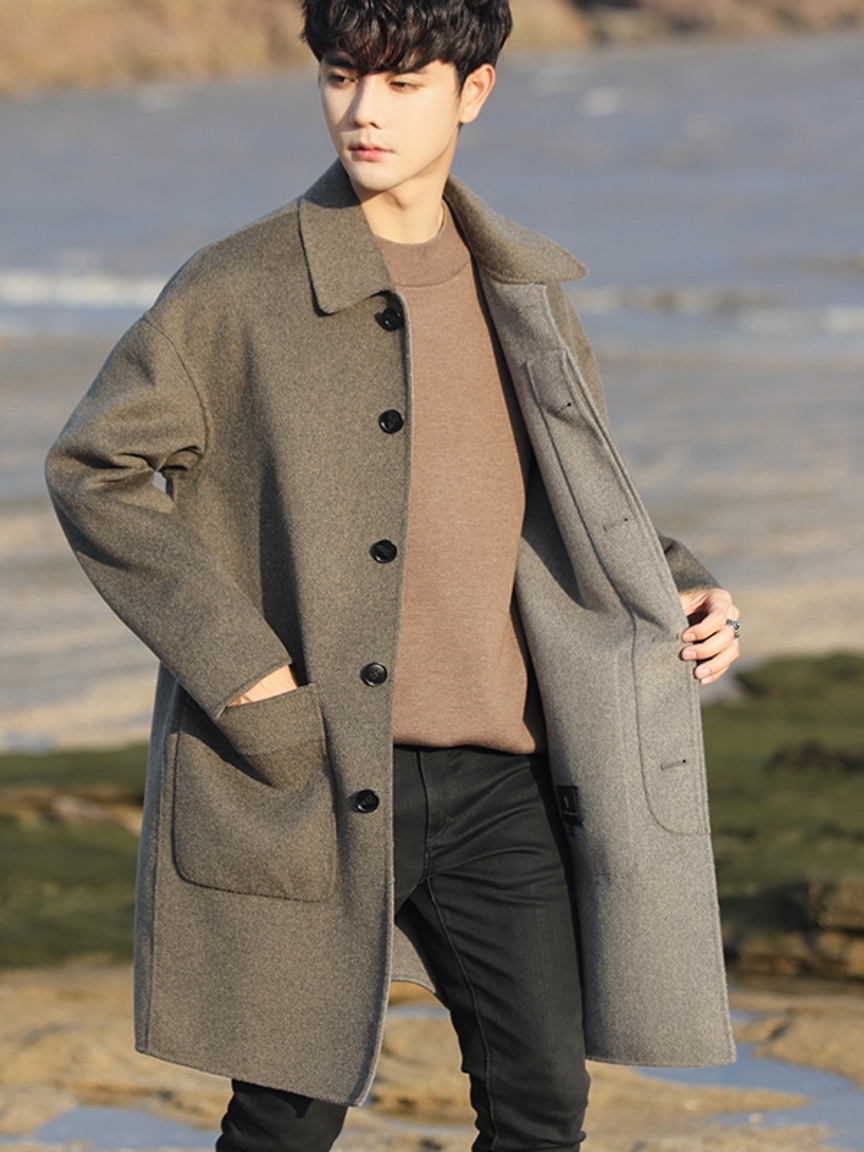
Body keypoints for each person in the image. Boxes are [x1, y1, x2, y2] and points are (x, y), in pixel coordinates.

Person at [45, 1, 742, 1148]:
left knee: (542, 1106)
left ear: (475, 92)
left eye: (403, 82)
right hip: (306, 769)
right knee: (287, 1117)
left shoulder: (523, 286)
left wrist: (680, 584)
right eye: (340, 76)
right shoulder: (236, 288)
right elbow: (94, 469)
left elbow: (575, 494)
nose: (363, 110)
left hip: (502, 781)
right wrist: (244, 674)